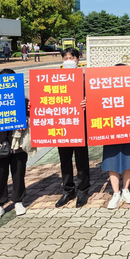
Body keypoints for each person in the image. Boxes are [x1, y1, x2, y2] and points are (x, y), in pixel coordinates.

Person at [0, 68, 36, 222]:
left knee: (18, 173)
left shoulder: (24, 100)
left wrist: (26, 120)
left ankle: (18, 201)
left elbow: (31, 117)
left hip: (17, 142)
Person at [55, 48, 90, 208]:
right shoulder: (54, 79)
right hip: (62, 125)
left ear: (78, 59)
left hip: (79, 125)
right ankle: (68, 190)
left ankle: (83, 190)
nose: (68, 60)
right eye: (65, 58)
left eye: (72, 57)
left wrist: (87, 102)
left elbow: (94, 98)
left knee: (81, 160)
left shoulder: (85, 79)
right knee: (65, 160)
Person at [104, 63, 130, 209]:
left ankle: (125, 189)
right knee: (111, 159)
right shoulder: (106, 89)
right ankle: (115, 193)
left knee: (128, 158)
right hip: (110, 129)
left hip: (127, 128)